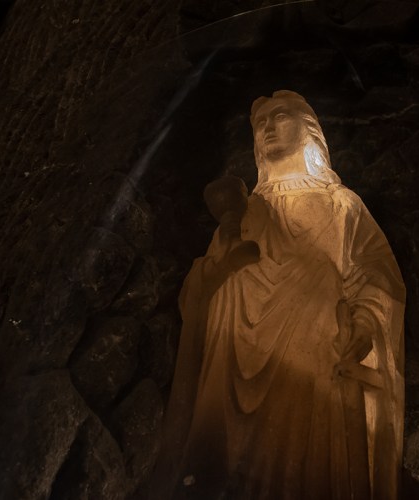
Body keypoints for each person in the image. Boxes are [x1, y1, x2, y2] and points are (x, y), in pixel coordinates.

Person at [152, 90, 405, 500]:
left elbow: (376, 276)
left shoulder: (341, 206)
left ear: (309, 130)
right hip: (231, 365)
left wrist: (364, 322)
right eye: (260, 123)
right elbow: (198, 296)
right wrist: (216, 274)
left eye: (280, 116)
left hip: (313, 366)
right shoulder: (244, 214)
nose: (268, 127)